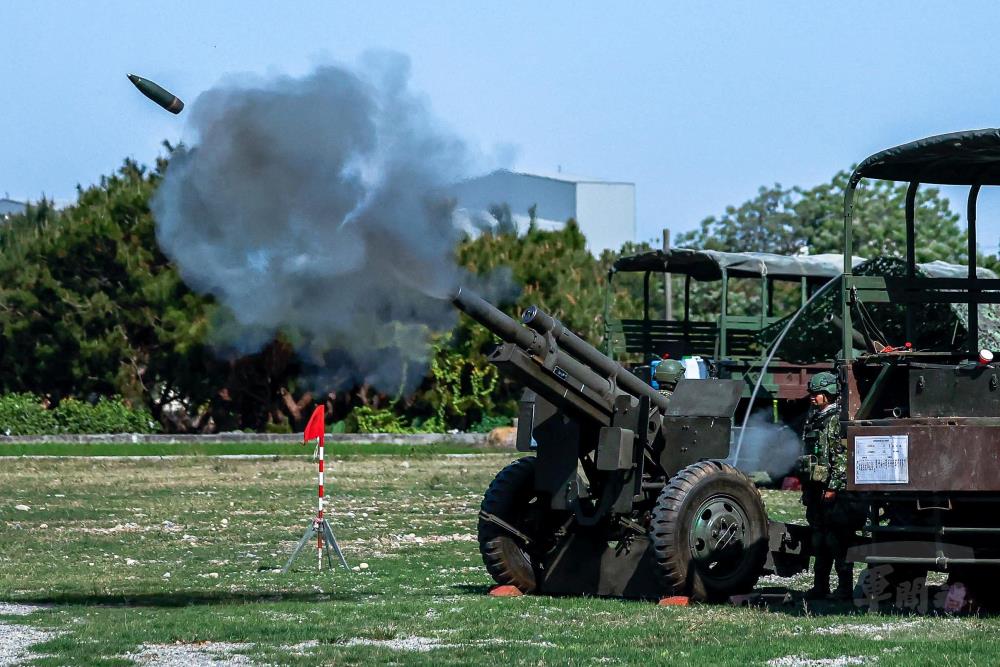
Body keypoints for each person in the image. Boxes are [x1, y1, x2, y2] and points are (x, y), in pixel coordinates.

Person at [799, 371, 862, 600]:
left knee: (838, 541)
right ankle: (820, 586)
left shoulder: (836, 420)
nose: (813, 398)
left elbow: (842, 458)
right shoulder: (814, 418)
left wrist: (833, 487)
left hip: (834, 493)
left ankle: (844, 589)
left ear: (829, 394)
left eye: (817, 394)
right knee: (818, 540)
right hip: (816, 489)